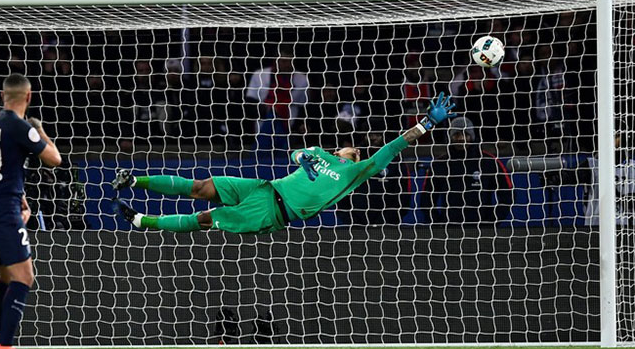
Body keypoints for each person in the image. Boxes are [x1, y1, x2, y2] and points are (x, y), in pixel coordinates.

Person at [114, 94, 458, 234]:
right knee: (201, 187)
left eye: (355, 149)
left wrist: (425, 125)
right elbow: (295, 153)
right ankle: (135, 180)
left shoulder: (355, 172)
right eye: (349, 145)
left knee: (205, 219)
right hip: (267, 188)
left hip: (274, 213)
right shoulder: (323, 153)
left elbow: (390, 149)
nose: (351, 147)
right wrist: (304, 157)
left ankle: (144, 220)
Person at [0, 74, 61, 349]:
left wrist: (19, 193)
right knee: (24, 276)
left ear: (3, 96)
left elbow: (5, 165)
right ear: (28, 97)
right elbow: (54, 159)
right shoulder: (19, 125)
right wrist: (40, 130)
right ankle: (5, 346)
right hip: (4, 211)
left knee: (5, 276)